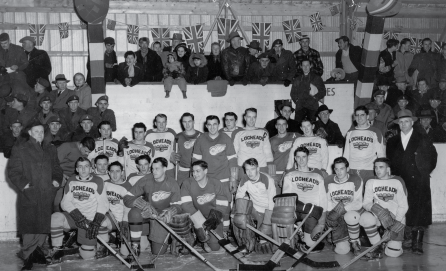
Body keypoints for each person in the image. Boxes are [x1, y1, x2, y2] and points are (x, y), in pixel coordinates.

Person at [8, 121, 62, 270]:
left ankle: (38, 253)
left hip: (46, 193)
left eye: (42, 131)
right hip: (30, 194)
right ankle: (28, 256)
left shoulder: (50, 149)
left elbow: (57, 168)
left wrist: (56, 181)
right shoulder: (20, 148)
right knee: (30, 226)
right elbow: (13, 171)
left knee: (43, 225)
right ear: (30, 133)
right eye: (36, 131)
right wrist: (25, 185)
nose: (40, 134)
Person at [388, 109, 436, 253]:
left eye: (406, 121)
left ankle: (417, 243)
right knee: (403, 209)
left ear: (412, 122)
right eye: (401, 122)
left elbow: (432, 158)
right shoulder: (392, 141)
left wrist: (423, 173)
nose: (403, 124)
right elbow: (390, 161)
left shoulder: (422, 138)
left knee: (419, 211)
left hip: (418, 180)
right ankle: (407, 238)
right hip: (400, 181)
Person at [47, 157, 109, 263]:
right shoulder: (72, 180)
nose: (83, 169)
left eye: (86, 166)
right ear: (76, 169)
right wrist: (78, 216)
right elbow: (65, 203)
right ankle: (57, 249)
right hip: (75, 217)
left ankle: (101, 245)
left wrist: (96, 221)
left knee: (87, 255)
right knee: (55, 217)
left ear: (91, 169)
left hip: (89, 219)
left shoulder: (98, 181)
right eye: (80, 167)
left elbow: (103, 204)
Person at [124, 157, 182, 256]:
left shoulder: (172, 183)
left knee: (157, 252)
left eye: (157, 169)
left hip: (161, 218)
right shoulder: (146, 180)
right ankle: (135, 246)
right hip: (147, 214)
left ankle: (166, 238)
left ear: (164, 169)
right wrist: (143, 204)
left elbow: (178, 206)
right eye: (152, 168)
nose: (153, 171)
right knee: (134, 213)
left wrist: (170, 211)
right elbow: (127, 198)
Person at [359, 158, 408, 260]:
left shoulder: (397, 181)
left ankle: (392, 244)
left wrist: (396, 222)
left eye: (381, 167)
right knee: (365, 218)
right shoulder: (371, 181)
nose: (377, 170)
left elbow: (404, 206)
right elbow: (366, 203)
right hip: (378, 215)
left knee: (393, 254)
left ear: (388, 169)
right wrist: (378, 210)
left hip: (395, 218)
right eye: (375, 167)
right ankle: (377, 245)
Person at [180, 160, 231, 252]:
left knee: (215, 247)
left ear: (205, 171)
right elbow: (186, 205)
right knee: (202, 234)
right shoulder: (187, 183)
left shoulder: (216, 183)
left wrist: (214, 219)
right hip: (196, 216)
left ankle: (205, 238)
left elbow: (222, 204)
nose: (194, 174)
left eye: (198, 171)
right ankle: (199, 237)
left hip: (212, 216)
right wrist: (200, 221)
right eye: (193, 171)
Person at [281, 146, 326, 252]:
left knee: (309, 245)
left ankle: (302, 233)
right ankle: (297, 229)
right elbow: (286, 196)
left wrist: (322, 220)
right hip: (296, 209)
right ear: (295, 158)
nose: (301, 160)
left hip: (311, 211)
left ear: (308, 157)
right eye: (298, 157)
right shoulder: (290, 175)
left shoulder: (317, 176)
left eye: (304, 157)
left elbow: (323, 198)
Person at [233, 158, 276, 254]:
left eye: (252, 169)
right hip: (254, 206)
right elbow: (239, 196)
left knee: (264, 237)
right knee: (239, 217)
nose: (249, 172)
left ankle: (262, 238)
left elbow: (271, 201)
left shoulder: (267, 179)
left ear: (258, 168)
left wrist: (267, 221)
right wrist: (239, 212)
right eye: (247, 169)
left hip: (266, 208)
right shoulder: (244, 179)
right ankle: (245, 243)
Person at [324, 157, 363, 255]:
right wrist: (332, 212)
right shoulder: (328, 180)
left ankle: (354, 240)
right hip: (335, 213)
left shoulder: (356, 179)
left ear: (347, 169)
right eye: (336, 169)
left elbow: (358, 202)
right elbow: (327, 200)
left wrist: (342, 209)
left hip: (351, 211)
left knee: (350, 216)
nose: (339, 172)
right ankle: (340, 239)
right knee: (342, 251)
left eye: (342, 169)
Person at [192, 115, 238, 192]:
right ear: (206, 126)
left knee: (224, 203)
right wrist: (196, 179)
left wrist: (233, 180)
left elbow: (233, 161)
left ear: (218, 125)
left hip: (224, 179)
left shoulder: (226, 138)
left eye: (215, 124)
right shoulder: (200, 139)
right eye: (209, 125)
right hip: (206, 179)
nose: (212, 127)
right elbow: (195, 162)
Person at [344, 105, 385, 183]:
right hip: (352, 168)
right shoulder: (350, 132)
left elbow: (381, 153)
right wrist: (345, 168)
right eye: (357, 115)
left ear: (367, 116)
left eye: (362, 115)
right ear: (354, 117)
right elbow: (346, 153)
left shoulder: (376, 132)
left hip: (369, 169)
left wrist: (382, 170)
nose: (359, 118)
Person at [102, 161, 132, 258]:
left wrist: (125, 222)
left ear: (122, 172)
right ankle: (105, 244)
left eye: (117, 171)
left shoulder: (128, 187)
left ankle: (115, 239)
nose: (114, 174)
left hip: (123, 221)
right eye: (112, 171)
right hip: (109, 217)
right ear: (108, 172)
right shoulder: (104, 184)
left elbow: (130, 207)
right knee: (101, 222)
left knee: (125, 253)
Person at [233, 108, 274, 174]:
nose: (251, 120)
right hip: (244, 168)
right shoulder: (237, 132)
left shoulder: (263, 131)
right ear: (245, 118)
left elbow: (268, 152)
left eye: (254, 117)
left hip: (261, 166)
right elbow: (234, 153)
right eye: (249, 117)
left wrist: (271, 168)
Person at [290, 57, 326, 123]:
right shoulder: (297, 79)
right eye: (303, 65)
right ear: (301, 66)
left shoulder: (317, 78)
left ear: (310, 66)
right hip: (300, 107)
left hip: (312, 107)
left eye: (307, 65)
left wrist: (315, 98)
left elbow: (323, 91)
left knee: (312, 126)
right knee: (298, 127)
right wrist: (297, 101)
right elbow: (293, 93)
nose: (305, 67)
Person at [270, 116, 300, 188]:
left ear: (287, 125)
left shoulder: (295, 136)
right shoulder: (271, 140)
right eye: (279, 124)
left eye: (283, 124)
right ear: (276, 126)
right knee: (276, 198)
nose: (281, 127)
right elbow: (269, 160)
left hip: (291, 173)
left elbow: (308, 138)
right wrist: (272, 176)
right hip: (276, 174)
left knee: (290, 198)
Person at [172, 113, 202, 185]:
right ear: (182, 123)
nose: (187, 124)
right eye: (185, 122)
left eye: (189, 121)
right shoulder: (178, 136)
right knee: (182, 194)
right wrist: (173, 158)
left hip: (198, 171)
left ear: (193, 122)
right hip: (183, 171)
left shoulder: (201, 136)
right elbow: (175, 155)